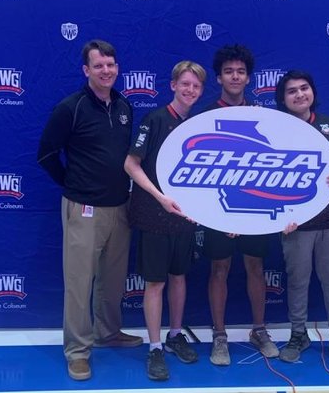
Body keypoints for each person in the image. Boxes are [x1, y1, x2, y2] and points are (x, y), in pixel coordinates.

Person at [37, 39, 143, 381]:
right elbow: (45, 154)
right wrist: (74, 184)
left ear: (118, 68)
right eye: (98, 65)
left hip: (120, 207)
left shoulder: (125, 106)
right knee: (79, 284)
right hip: (83, 208)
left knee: (113, 280)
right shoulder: (71, 108)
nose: (106, 70)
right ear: (86, 70)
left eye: (110, 65)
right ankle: (77, 351)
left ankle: (107, 333)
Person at [124, 61, 206, 381]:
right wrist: (159, 197)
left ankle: (174, 335)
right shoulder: (155, 119)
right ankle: (155, 347)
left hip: (184, 217)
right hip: (154, 214)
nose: (190, 90)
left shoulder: (198, 124)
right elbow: (131, 164)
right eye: (184, 84)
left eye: (196, 86)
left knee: (179, 277)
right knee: (155, 282)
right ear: (173, 85)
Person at [202, 44, 279, 366]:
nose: (235, 77)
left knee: (255, 266)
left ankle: (259, 330)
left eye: (241, 72)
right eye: (228, 71)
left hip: (254, 206)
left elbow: (274, 162)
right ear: (219, 77)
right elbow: (199, 169)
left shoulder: (262, 115)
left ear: (248, 78)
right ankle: (219, 336)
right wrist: (219, 214)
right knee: (218, 268)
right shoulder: (205, 116)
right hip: (219, 207)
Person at [274, 70, 329, 372]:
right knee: (297, 281)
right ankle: (299, 334)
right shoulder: (276, 130)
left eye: (304, 88)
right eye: (292, 91)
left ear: (312, 92)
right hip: (296, 223)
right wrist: (281, 214)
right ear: (283, 99)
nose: (299, 94)